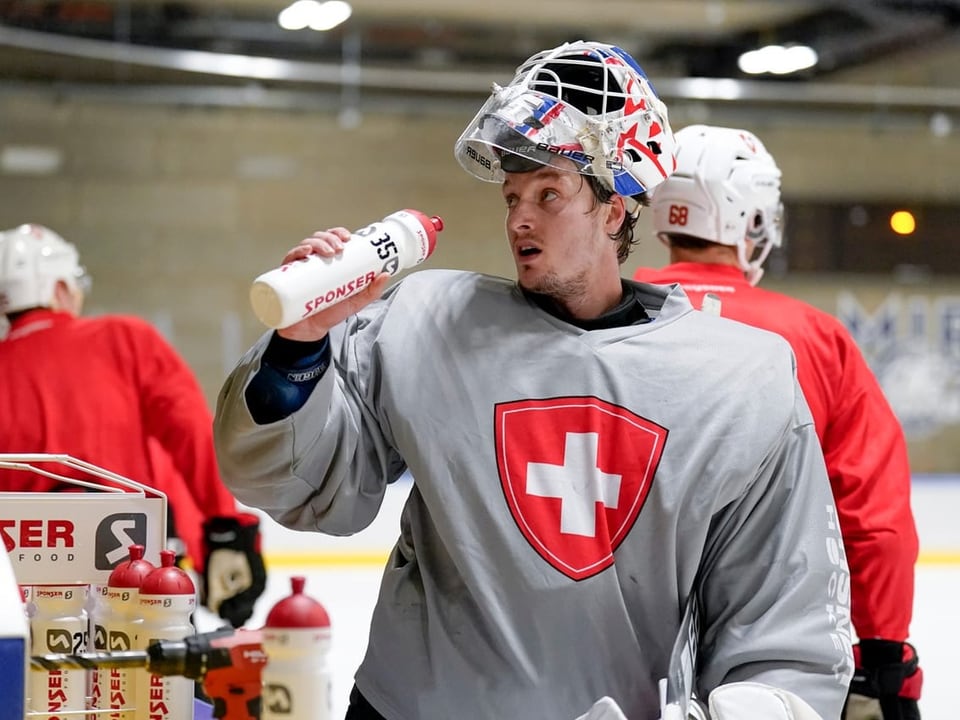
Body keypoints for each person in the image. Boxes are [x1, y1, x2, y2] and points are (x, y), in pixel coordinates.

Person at [214, 41, 852, 720]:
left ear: (616, 209)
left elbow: (786, 632)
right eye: (514, 194)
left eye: (550, 193)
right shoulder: (428, 323)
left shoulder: (739, 378)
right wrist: (300, 345)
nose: (519, 216)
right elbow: (300, 484)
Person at [634, 123, 922, 720]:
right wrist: (882, 659)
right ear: (752, 218)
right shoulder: (816, 340)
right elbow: (875, 521)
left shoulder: (599, 313)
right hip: (774, 655)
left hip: (607, 641)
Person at [0, 223, 266, 628]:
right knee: (160, 689)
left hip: (21, 607)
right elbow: (190, 434)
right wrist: (226, 530)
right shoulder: (124, 340)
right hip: (135, 584)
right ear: (57, 289)